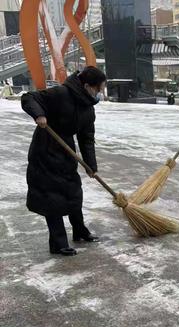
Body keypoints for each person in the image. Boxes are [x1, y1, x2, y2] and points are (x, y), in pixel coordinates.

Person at [21, 66, 106, 256]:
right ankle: (58, 243)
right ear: (86, 85)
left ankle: (80, 231)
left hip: (66, 151)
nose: (99, 92)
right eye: (98, 88)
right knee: (52, 197)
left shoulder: (87, 107)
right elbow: (29, 97)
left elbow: (86, 138)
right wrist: (39, 114)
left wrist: (91, 166)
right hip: (45, 149)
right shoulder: (60, 93)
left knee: (74, 193)